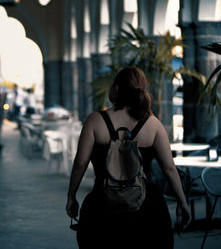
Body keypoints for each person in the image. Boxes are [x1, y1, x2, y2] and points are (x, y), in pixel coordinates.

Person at [66, 67, 192, 249]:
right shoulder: (153, 124)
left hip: (103, 208)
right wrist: (183, 203)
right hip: (146, 208)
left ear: (116, 88)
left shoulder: (95, 120)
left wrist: (71, 196)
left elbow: (80, 164)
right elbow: (169, 169)